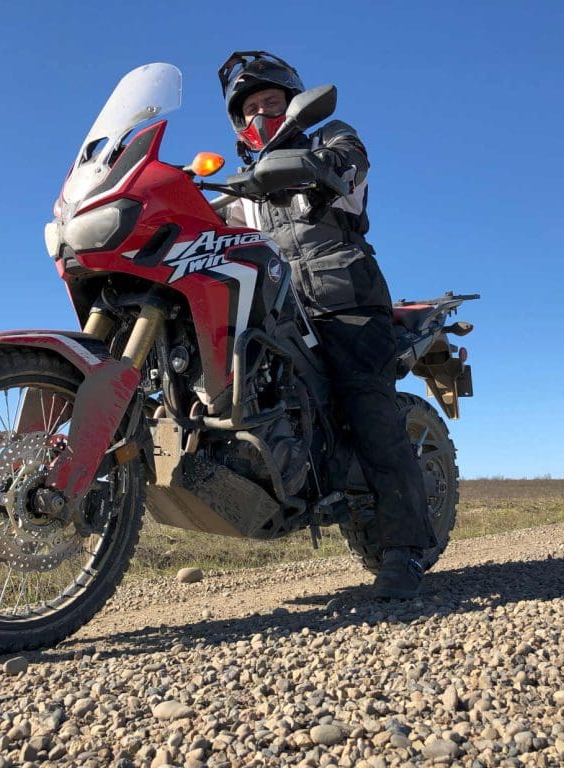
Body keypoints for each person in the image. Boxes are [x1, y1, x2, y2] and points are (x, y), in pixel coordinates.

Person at [217, 51, 438, 599]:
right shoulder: (239, 187)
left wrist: (313, 166)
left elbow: (347, 167)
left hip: (346, 301)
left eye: (270, 102)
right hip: (278, 308)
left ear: (294, 106)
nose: (260, 115)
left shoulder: (330, 140)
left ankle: (406, 550)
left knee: (369, 408)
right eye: (249, 109)